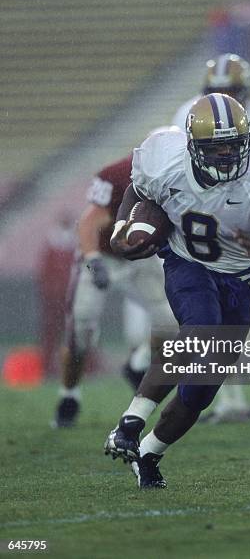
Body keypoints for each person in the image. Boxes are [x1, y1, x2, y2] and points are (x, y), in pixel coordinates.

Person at [104, 93, 250, 488]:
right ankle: (129, 424)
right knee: (200, 330)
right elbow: (137, 192)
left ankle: (147, 454)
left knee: (201, 391)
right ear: (193, 146)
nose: (228, 154)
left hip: (241, 277)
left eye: (235, 143)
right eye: (217, 146)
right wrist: (120, 232)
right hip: (187, 263)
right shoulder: (165, 158)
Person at [172, 53, 250, 420]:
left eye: (231, 90)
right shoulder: (185, 116)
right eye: (216, 90)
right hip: (209, 215)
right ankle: (234, 392)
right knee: (216, 310)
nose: (225, 97)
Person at [53, 153, 176, 428]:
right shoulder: (118, 174)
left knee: (171, 322)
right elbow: (89, 221)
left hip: (141, 255)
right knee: (81, 329)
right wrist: (93, 261)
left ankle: (138, 362)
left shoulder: (182, 173)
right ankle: (69, 394)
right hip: (104, 253)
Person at [37, 212, 76, 377]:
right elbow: (44, 271)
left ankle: (78, 366)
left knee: (75, 332)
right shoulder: (53, 246)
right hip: (56, 296)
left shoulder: (75, 246)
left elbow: (86, 266)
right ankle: (48, 366)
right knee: (53, 332)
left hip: (68, 295)